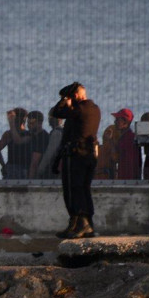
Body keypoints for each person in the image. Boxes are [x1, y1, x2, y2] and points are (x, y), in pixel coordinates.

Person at [50, 82, 101, 239]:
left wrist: (64, 100)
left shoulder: (79, 110)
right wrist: (57, 158)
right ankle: (84, 224)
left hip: (77, 155)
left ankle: (81, 224)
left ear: (76, 96)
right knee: (84, 189)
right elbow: (67, 135)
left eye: (70, 96)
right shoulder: (94, 109)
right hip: (88, 154)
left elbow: (56, 112)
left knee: (74, 190)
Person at [0, 107, 32, 180]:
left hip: (20, 167)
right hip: (18, 167)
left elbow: (18, 140)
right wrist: (3, 165)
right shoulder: (9, 134)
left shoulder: (28, 135)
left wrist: (4, 165)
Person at [109, 109, 141, 180]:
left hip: (127, 179)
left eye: (117, 119)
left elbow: (128, 162)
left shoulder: (128, 138)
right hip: (127, 178)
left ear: (125, 122)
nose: (115, 122)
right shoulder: (127, 137)